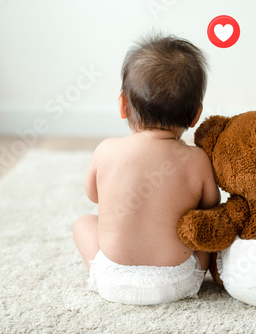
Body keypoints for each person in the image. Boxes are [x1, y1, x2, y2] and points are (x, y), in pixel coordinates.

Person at [73, 35, 220, 305]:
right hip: (178, 280)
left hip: (113, 280)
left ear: (122, 104)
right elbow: (211, 204)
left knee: (84, 224)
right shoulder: (196, 158)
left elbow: (93, 196)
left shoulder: (106, 149)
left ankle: (101, 273)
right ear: (195, 115)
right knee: (206, 232)